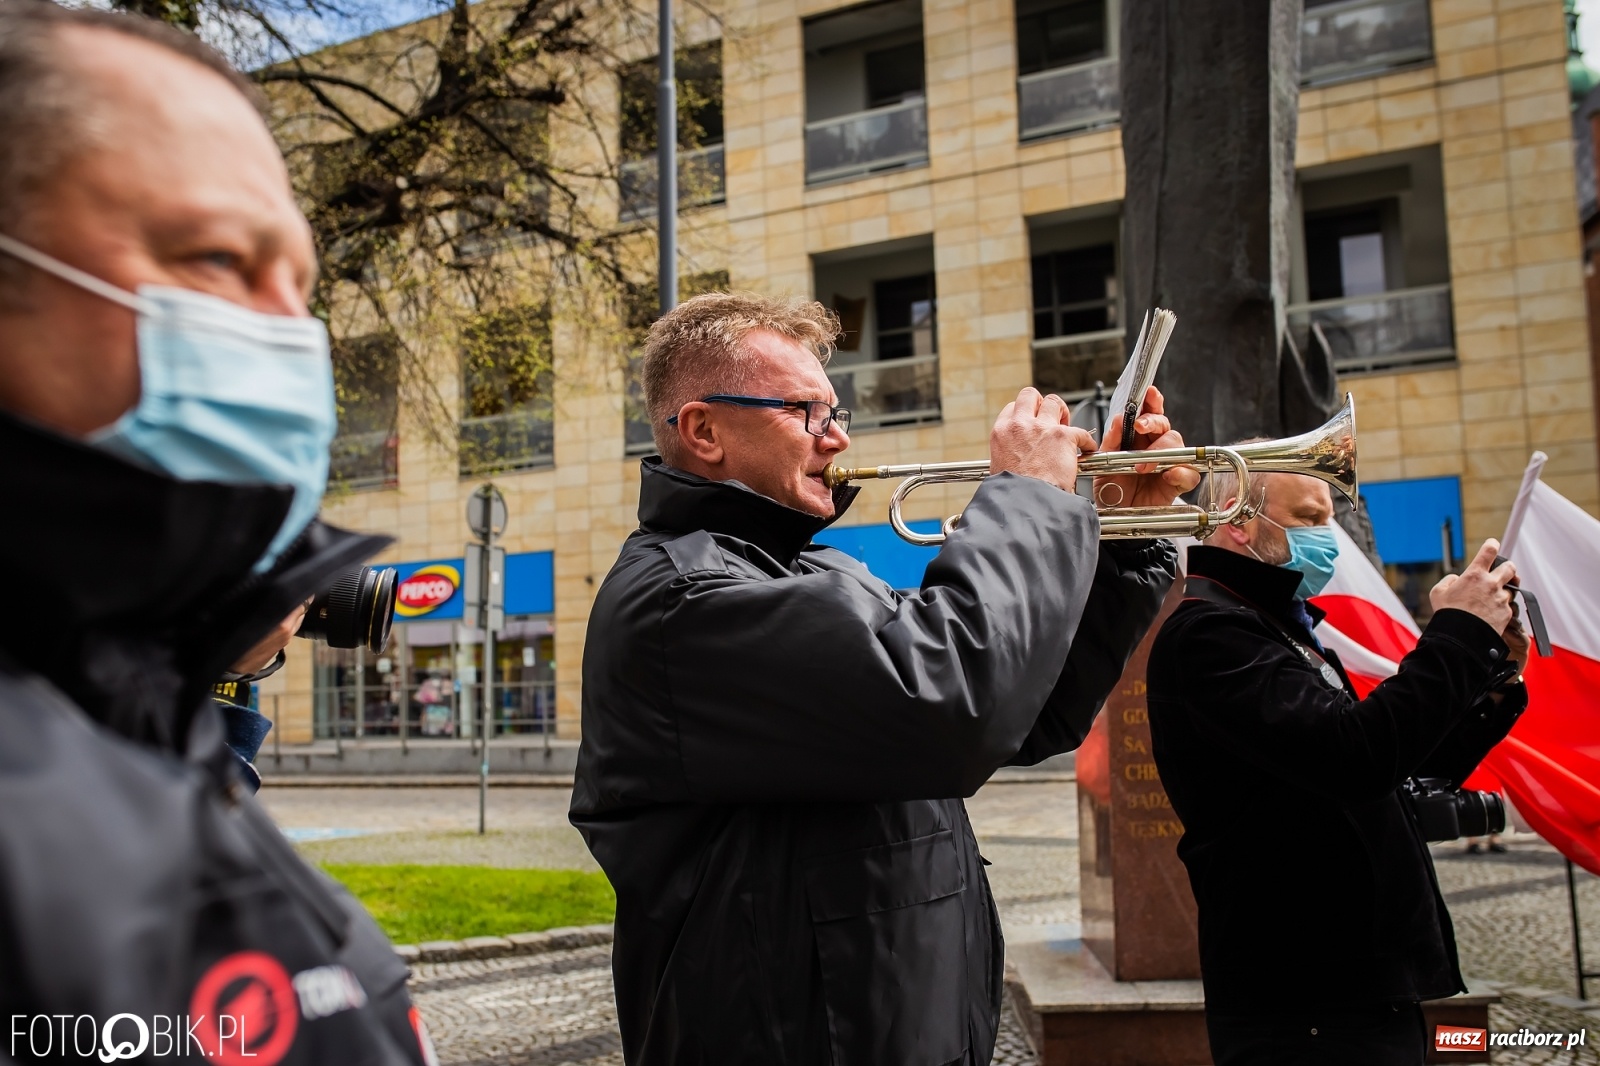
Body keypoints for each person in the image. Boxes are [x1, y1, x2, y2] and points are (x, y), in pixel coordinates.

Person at [570, 292, 1198, 1065]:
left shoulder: (811, 570)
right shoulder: (689, 600)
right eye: (805, 412)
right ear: (704, 430)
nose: (836, 437)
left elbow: (1025, 709)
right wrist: (1028, 500)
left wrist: (1123, 538)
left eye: (834, 411)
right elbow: (953, 703)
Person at [0, 6, 433, 1062]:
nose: (288, 336)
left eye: (302, 286)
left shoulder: (122, 717)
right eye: (218, 257)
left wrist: (196, 659)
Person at [1146, 465, 1530, 1066]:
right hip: (1303, 996)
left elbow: (1396, 770)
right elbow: (1357, 757)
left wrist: (1490, 674)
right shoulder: (1212, 634)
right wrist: (1453, 635)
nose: (1331, 537)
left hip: (1352, 982)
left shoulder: (1276, 627)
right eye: (1310, 518)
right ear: (1240, 522)